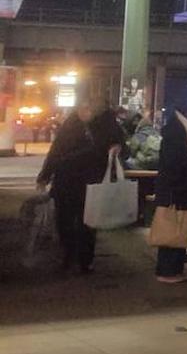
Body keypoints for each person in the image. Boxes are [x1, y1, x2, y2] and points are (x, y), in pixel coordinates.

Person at [36, 99, 124, 274]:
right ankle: (68, 255)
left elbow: (120, 144)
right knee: (64, 221)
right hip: (66, 181)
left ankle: (85, 260)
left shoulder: (107, 125)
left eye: (89, 108)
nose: (85, 112)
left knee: (87, 223)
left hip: (90, 183)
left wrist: (117, 147)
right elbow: (56, 150)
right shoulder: (71, 125)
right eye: (82, 109)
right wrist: (44, 175)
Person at [153, 101, 187, 284]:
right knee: (172, 229)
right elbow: (176, 163)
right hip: (176, 189)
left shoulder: (180, 128)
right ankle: (168, 271)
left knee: (179, 228)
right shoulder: (179, 131)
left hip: (177, 188)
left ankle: (173, 269)